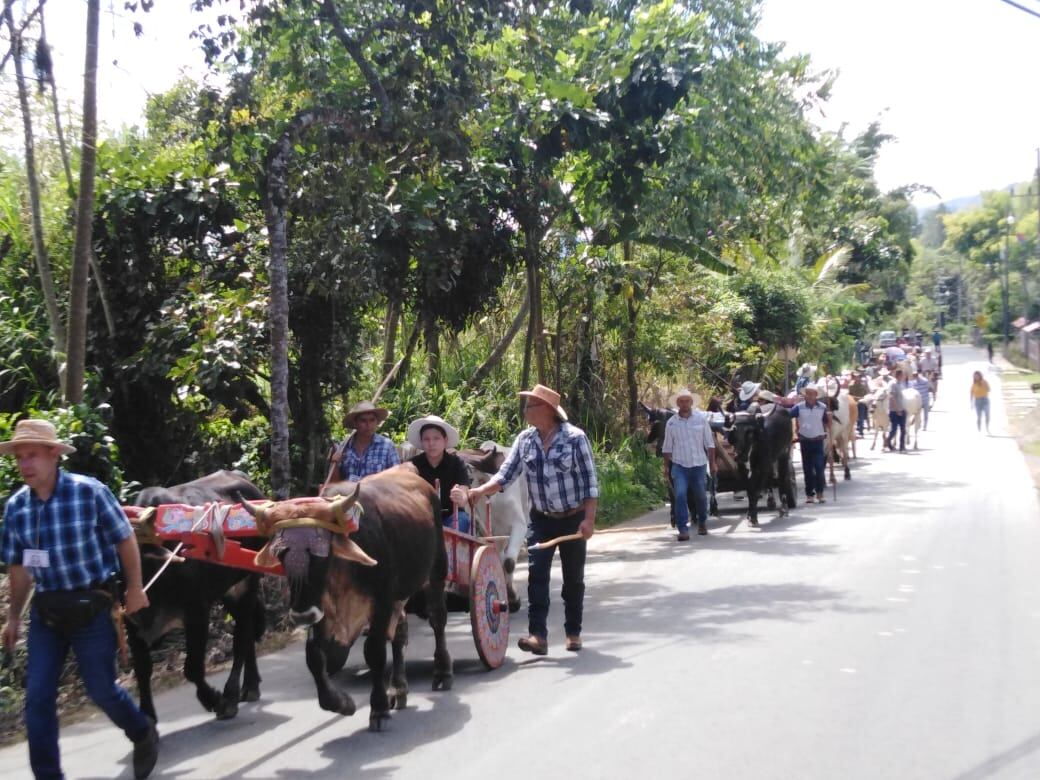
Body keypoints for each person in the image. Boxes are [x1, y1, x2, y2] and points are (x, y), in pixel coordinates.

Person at [0, 419, 159, 780]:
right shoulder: (16, 509)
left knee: (102, 690)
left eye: (33, 456)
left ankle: (142, 731)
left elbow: (124, 539)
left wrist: (135, 588)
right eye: (20, 458)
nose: (25, 465)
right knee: (37, 699)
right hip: (48, 614)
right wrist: (12, 619)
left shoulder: (88, 492)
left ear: (54, 455)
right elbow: (21, 570)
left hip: (92, 606)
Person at [451, 384, 597, 655]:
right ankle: (537, 636)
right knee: (536, 575)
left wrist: (588, 520)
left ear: (548, 410)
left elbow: (590, 484)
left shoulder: (576, 438)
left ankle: (573, 631)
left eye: (530, 405)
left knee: (573, 579)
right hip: (541, 519)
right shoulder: (525, 440)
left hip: (572, 519)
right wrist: (479, 491)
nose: (526, 410)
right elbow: (505, 475)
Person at [660, 389, 717, 541]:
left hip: (698, 465)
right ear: (677, 404)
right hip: (679, 466)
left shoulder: (700, 420)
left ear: (691, 403)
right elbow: (667, 447)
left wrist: (712, 463)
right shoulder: (671, 423)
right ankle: (683, 529)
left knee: (700, 496)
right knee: (679, 496)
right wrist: (666, 467)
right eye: (681, 401)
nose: (684, 404)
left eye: (687, 401)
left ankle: (702, 521)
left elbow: (710, 444)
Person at [406, 414, 472, 534]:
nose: (431, 443)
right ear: (421, 441)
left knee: (462, 519)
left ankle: (450, 552)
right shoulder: (412, 465)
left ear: (445, 440)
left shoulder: (457, 463)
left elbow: (464, 495)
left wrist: (460, 496)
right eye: (426, 439)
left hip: (451, 517)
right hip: (421, 518)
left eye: (436, 438)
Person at [335, 401, 399, 481]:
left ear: (377, 422)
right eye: (363, 420)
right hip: (348, 492)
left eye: (372, 420)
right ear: (355, 423)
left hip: (377, 492)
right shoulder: (344, 447)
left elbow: (397, 478)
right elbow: (335, 484)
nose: (368, 425)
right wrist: (334, 465)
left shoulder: (387, 446)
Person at [790, 385, 830, 504]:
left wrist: (829, 420)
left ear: (816, 395)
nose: (809, 396)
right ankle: (809, 495)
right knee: (807, 470)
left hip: (818, 441)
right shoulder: (798, 407)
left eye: (811, 393)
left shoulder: (822, 407)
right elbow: (789, 415)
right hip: (805, 441)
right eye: (807, 393)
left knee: (819, 468)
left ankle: (820, 493)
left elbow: (827, 422)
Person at [887, 369, 908, 452]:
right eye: (902, 375)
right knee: (894, 429)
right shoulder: (893, 384)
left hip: (902, 409)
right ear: (898, 375)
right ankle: (888, 441)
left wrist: (904, 408)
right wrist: (896, 409)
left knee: (903, 429)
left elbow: (901, 398)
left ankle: (902, 447)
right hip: (894, 410)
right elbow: (891, 397)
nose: (903, 376)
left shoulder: (901, 384)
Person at [848, 371, 870, 436]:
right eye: (855, 377)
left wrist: (864, 398)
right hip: (853, 402)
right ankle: (853, 430)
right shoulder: (851, 385)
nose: (857, 378)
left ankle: (861, 430)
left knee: (861, 417)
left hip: (862, 402)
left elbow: (867, 393)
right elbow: (849, 394)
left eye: (858, 377)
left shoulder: (863, 385)